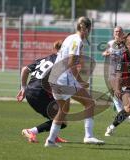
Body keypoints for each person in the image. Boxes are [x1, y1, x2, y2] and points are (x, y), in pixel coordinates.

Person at [45, 17, 104, 147]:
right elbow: (71, 64)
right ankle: (88, 136)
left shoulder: (69, 38)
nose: (89, 32)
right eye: (89, 30)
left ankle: (50, 140)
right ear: (86, 28)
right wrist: (80, 81)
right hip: (63, 78)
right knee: (89, 103)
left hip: (53, 77)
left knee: (64, 109)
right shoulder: (77, 41)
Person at [16, 40, 68, 143]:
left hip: (30, 92)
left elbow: (24, 70)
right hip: (41, 93)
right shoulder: (61, 62)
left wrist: (23, 88)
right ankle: (31, 131)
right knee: (62, 120)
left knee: (58, 116)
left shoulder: (44, 59)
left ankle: (54, 136)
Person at [102, 26, 125, 113]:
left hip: (122, 72)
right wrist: (106, 53)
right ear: (113, 33)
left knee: (121, 92)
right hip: (112, 71)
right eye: (116, 32)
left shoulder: (125, 44)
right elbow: (104, 53)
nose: (117, 33)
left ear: (122, 33)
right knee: (114, 91)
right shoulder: (110, 43)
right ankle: (120, 111)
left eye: (119, 32)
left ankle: (123, 108)